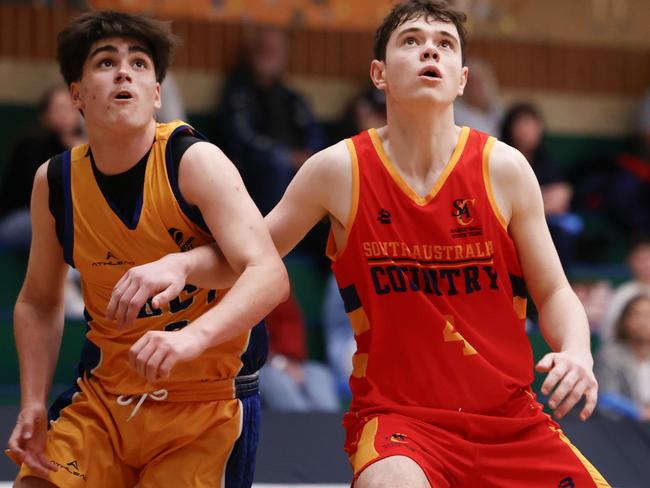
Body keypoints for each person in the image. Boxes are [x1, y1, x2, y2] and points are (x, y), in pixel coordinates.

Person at [109, 1, 609, 486]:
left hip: (511, 421)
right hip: (402, 425)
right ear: (379, 74)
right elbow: (251, 258)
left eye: (444, 44)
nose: (429, 52)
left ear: (461, 79)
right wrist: (181, 265)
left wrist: (577, 354)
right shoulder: (336, 170)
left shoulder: (505, 169)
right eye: (411, 42)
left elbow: (555, 292)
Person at [6, 10, 288, 488]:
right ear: (76, 94)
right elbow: (38, 300)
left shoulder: (195, 161)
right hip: (105, 401)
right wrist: (33, 402)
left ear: (156, 93)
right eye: (105, 62)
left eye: (139, 63)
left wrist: (189, 339)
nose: (123, 71)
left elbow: (269, 275)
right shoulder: (54, 182)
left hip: (207, 405)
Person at [500, 102, 583, 271]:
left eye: (532, 124)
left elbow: (561, 196)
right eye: (522, 124)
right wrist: (542, 199)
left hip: (544, 222)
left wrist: (533, 203)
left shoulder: (546, 160)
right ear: (510, 128)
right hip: (508, 224)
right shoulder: (500, 157)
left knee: (566, 229)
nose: (528, 130)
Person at [595, 293, 650, 421]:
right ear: (624, 321)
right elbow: (605, 399)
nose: (643, 322)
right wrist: (640, 412)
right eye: (636, 315)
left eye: (648, 315)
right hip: (621, 429)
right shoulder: (609, 355)